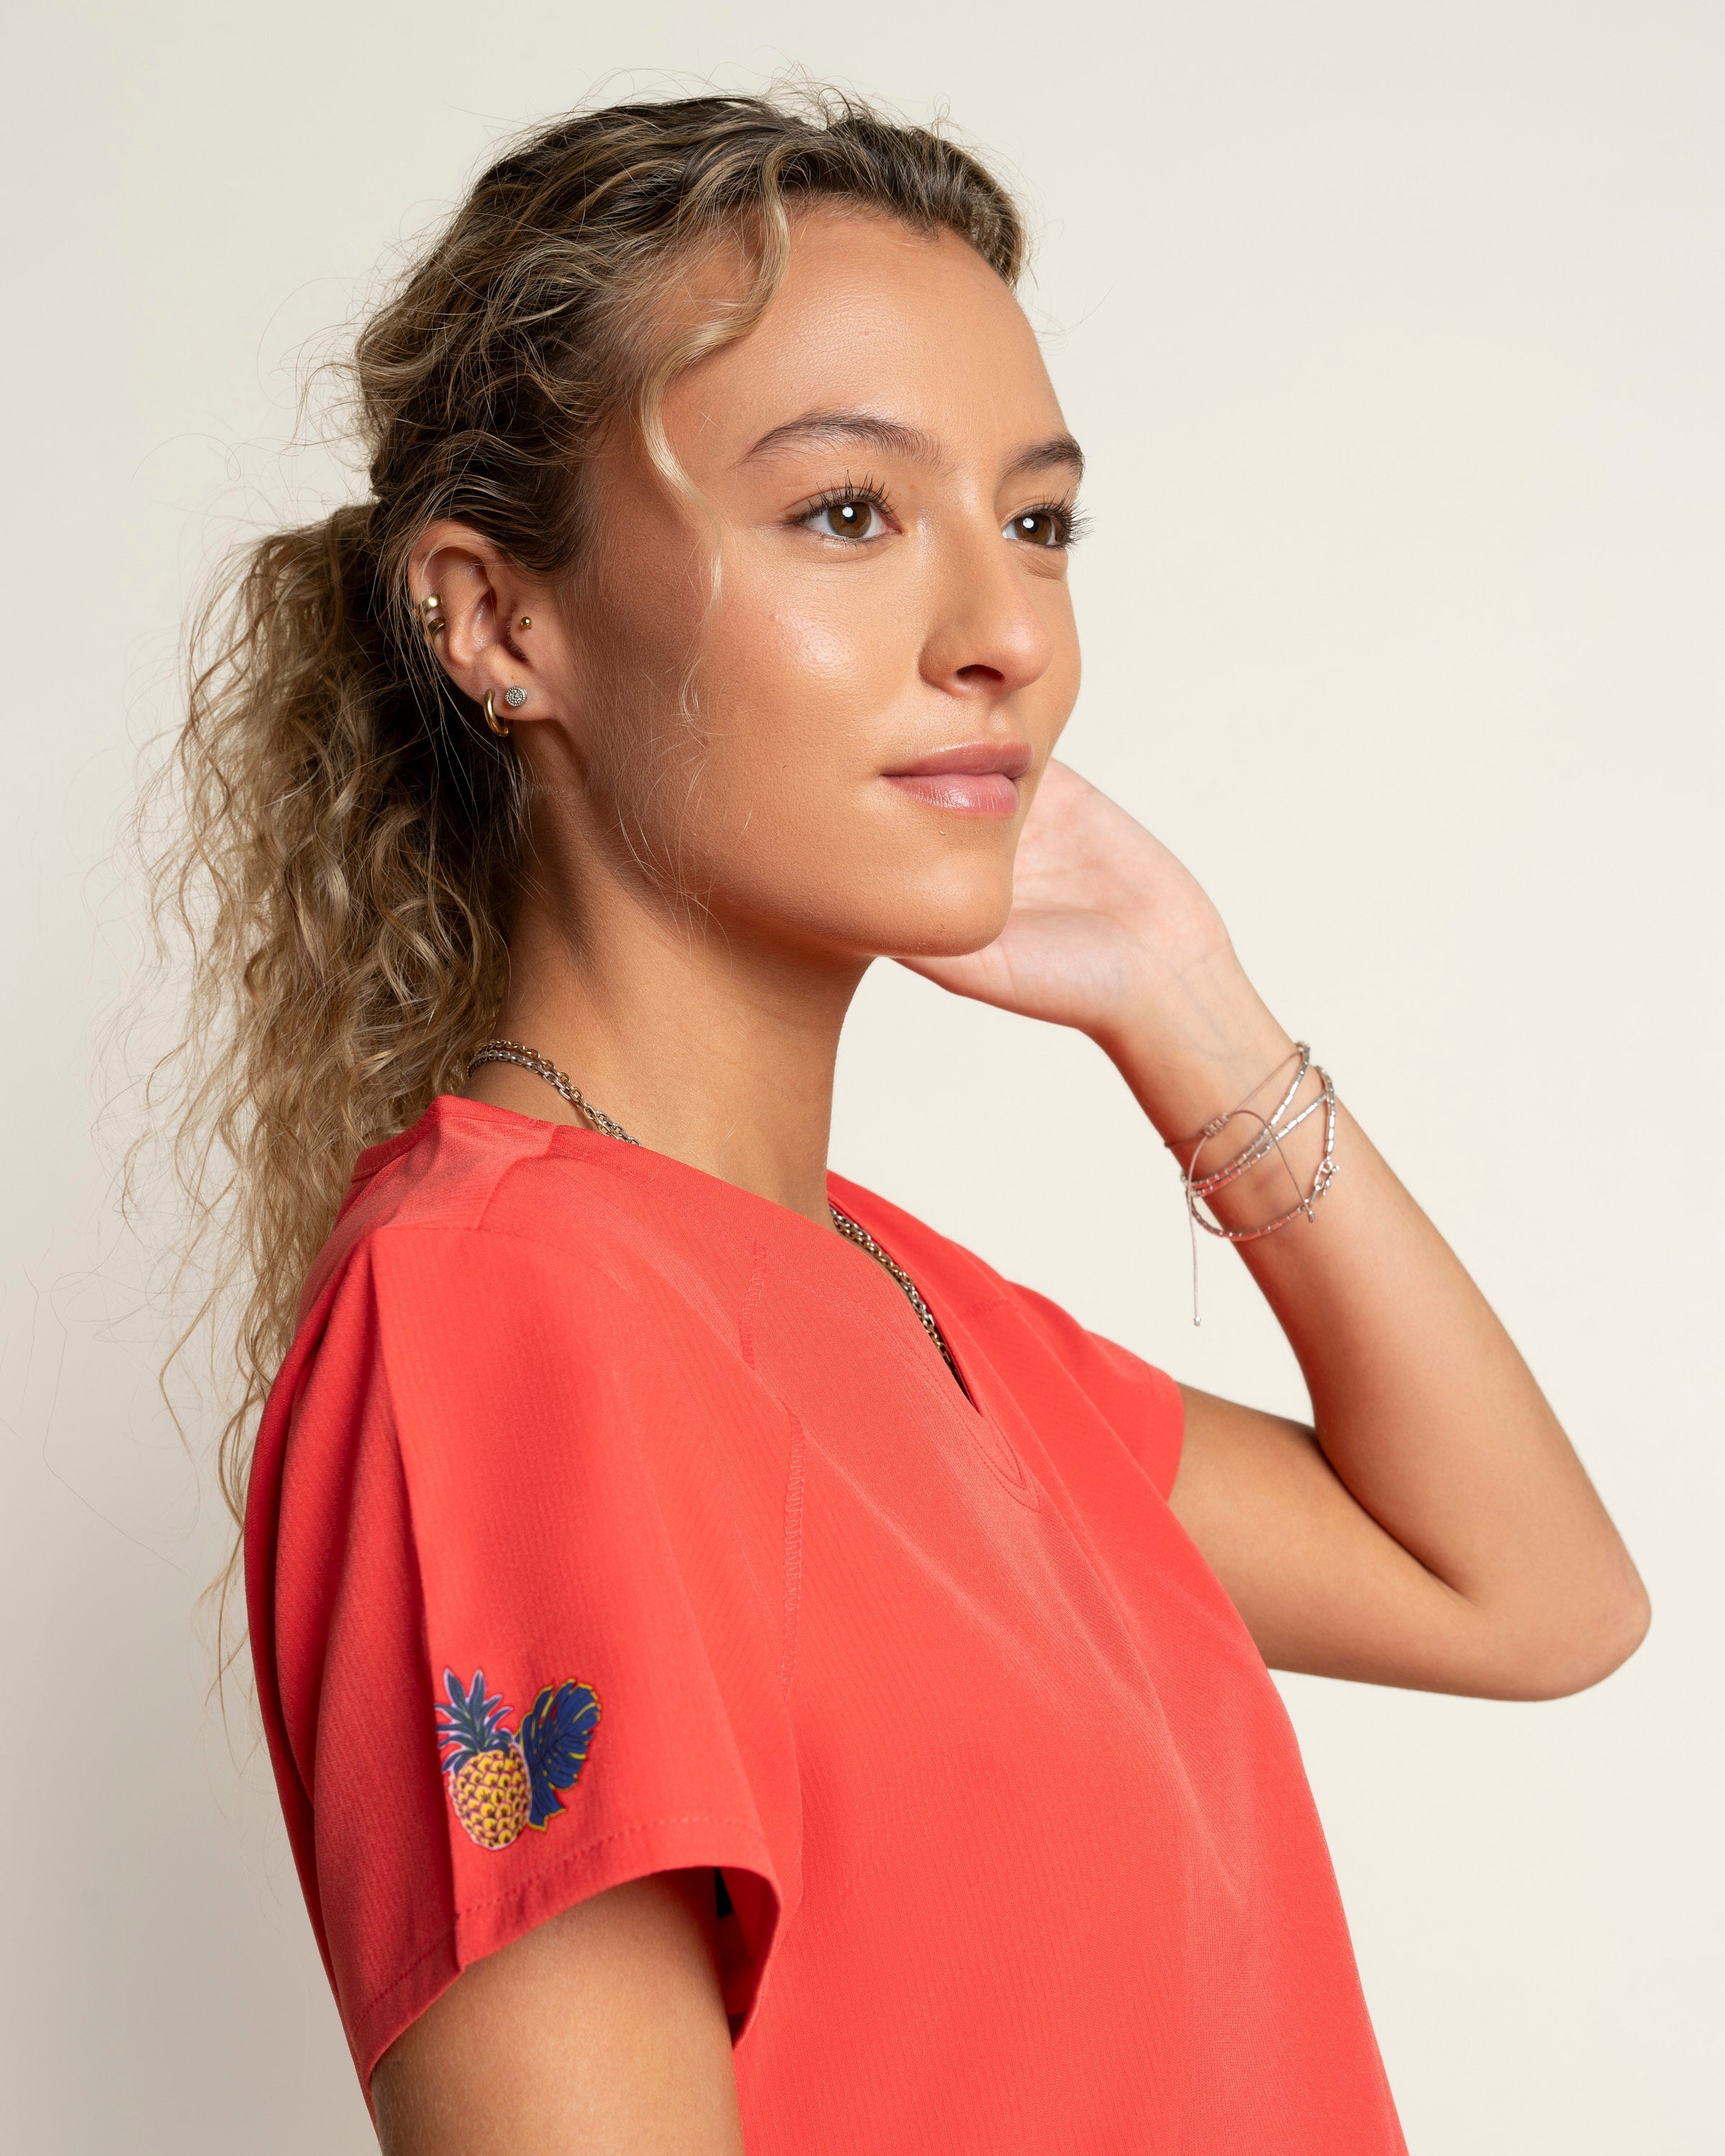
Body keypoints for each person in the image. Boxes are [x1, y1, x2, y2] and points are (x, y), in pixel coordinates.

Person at [164, 88, 1649, 2154]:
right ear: (502, 620)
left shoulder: (884, 1291)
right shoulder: (505, 1312)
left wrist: (1187, 1006)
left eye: (1037, 523)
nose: (1007, 637)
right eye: (849, 513)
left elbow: (1537, 1596)